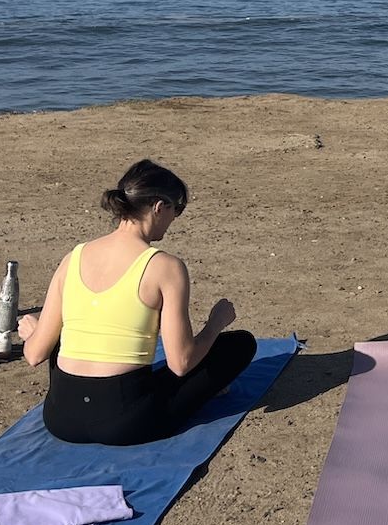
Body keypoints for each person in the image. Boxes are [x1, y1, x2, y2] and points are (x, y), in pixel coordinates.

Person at [18, 159, 257, 445]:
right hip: (127, 422)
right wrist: (216, 322)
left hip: (60, 418)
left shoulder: (74, 257)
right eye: (176, 210)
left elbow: (34, 355)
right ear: (159, 207)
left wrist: (36, 333)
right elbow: (181, 363)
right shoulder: (164, 266)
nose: (174, 219)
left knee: (57, 334)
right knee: (240, 344)